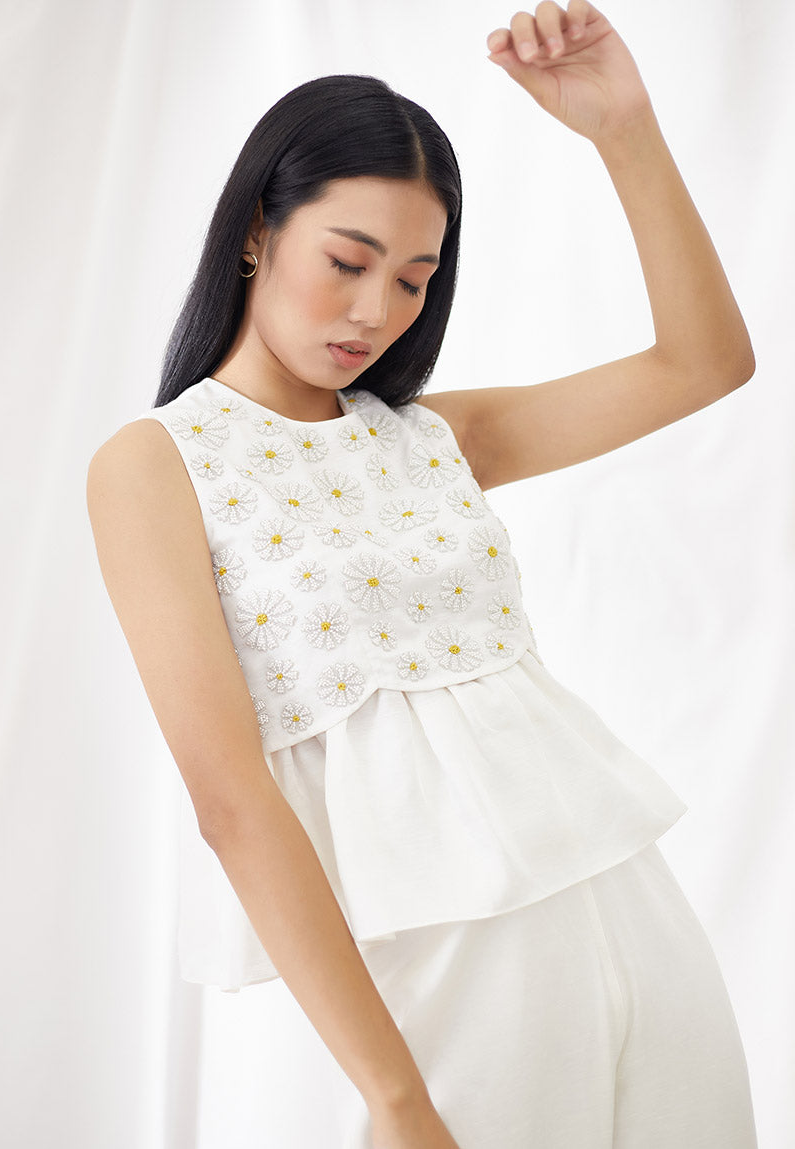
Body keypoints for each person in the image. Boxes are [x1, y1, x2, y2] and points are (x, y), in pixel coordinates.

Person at [86, 2, 758, 1146]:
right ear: (256, 232)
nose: (374, 312)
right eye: (346, 263)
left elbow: (703, 363)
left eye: (412, 279)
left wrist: (623, 129)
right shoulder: (156, 465)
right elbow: (231, 805)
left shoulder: (433, 436)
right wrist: (395, 1097)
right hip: (446, 968)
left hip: (628, 908)